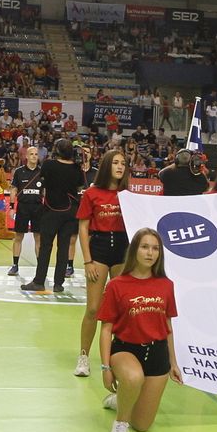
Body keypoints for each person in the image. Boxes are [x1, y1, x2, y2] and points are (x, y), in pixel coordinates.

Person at [97, 228, 180, 432]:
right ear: (134, 250)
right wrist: (106, 368)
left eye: (155, 248)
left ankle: (121, 400)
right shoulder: (116, 285)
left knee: (143, 425)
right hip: (126, 350)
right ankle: (120, 423)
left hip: (157, 353)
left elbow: (168, 325)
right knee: (133, 378)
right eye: (144, 247)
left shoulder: (166, 285)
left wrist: (173, 362)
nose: (150, 253)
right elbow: (106, 329)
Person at [76, 150, 130, 377]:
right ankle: (83, 356)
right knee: (93, 308)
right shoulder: (92, 193)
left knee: (120, 310)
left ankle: (118, 358)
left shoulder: (128, 195)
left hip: (122, 249)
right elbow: (83, 228)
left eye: (123, 163)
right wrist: (87, 261)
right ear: (107, 165)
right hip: (98, 249)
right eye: (116, 163)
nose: (120, 167)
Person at [22, 138, 83, 293]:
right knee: (63, 248)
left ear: (57, 150)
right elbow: (80, 186)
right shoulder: (77, 168)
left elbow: (43, 180)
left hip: (51, 210)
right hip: (70, 212)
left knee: (45, 247)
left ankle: (39, 281)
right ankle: (58, 284)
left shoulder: (49, 165)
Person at [8, 147, 43, 277]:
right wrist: (12, 207)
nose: (34, 156)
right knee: (18, 237)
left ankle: (40, 267)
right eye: (31, 154)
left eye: (36, 154)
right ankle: (15, 265)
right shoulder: (19, 172)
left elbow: (46, 192)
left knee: (38, 238)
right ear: (26, 156)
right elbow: (13, 190)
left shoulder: (42, 172)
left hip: (38, 208)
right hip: (23, 207)